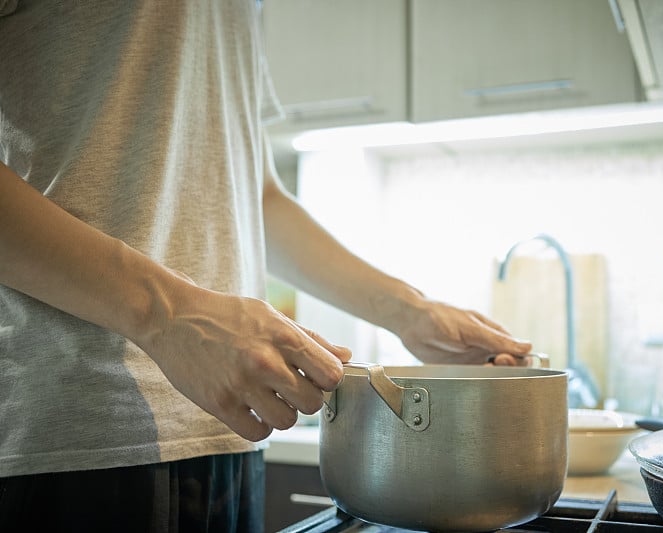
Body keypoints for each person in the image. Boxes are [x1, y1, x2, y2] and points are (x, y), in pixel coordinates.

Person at [0, 1, 532, 531]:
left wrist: (407, 310)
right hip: (77, 430)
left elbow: (257, 195)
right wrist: (168, 314)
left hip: (231, 419)